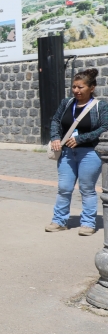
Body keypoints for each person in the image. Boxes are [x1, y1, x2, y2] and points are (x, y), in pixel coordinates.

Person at [47, 68, 108, 235]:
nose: (76, 90)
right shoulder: (66, 103)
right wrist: (55, 138)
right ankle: (59, 221)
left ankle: (88, 223)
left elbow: (105, 126)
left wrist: (82, 138)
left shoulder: (100, 106)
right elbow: (56, 120)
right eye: (74, 87)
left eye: (80, 87)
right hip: (66, 153)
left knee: (87, 189)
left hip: (89, 153)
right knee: (64, 188)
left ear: (92, 87)